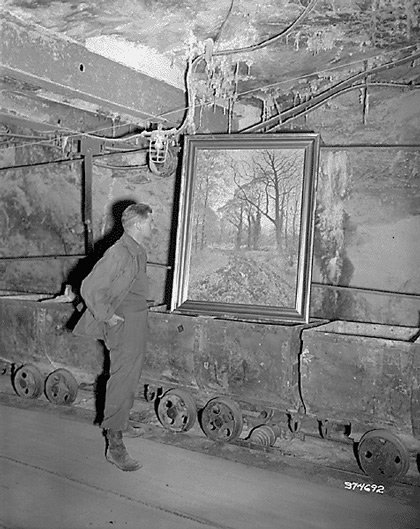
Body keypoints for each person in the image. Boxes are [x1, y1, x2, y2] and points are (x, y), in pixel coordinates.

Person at [73, 203, 153, 471]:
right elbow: (90, 286)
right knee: (122, 379)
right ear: (139, 225)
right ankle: (115, 444)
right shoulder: (119, 252)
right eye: (150, 222)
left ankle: (121, 422)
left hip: (136, 320)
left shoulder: (136, 251)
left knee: (130, 376)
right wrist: (106, 315)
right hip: (124, 324)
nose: (152, 227)